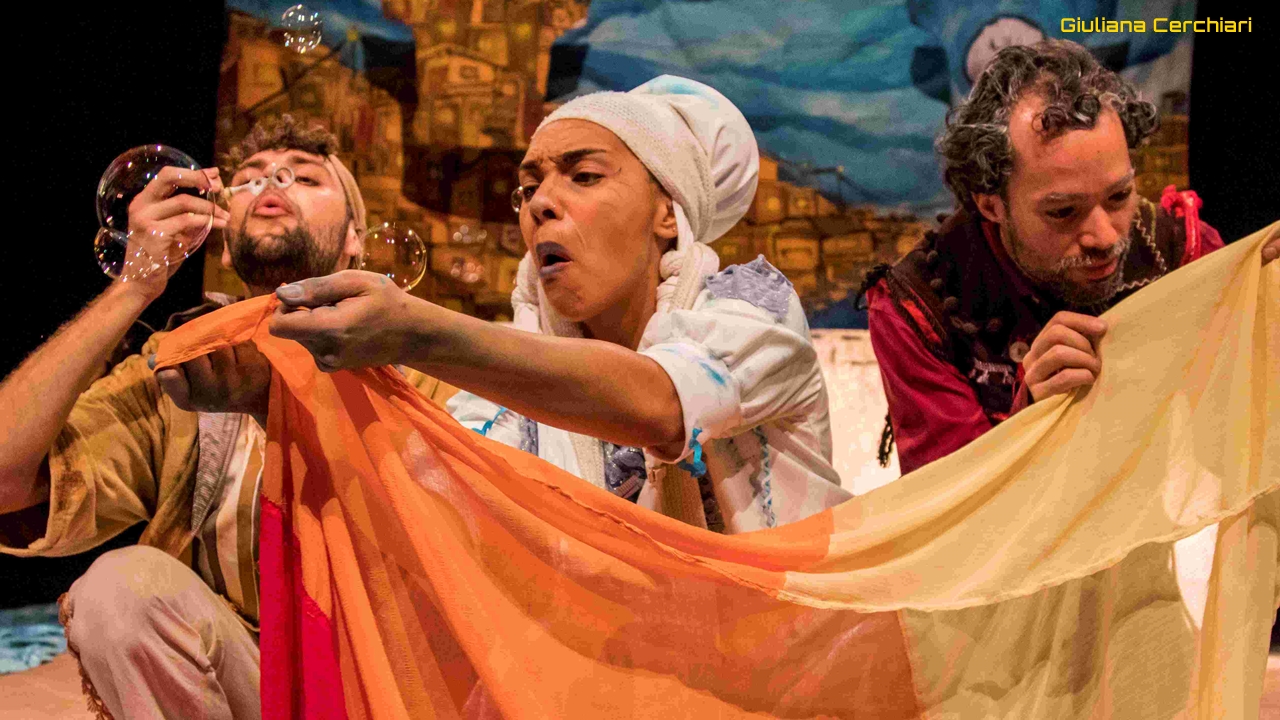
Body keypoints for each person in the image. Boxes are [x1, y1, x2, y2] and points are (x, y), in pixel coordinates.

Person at [0, 115, 454, 720]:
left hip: (374, 682)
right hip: (234, 679)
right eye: (252, 177)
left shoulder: (419, 368)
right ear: (223, 233)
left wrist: (272, 408)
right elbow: (4, 478)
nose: (274, 181)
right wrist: (136, 283)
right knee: (121, 588)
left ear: (355, 239)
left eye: (306, 178)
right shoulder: (178, 365)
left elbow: (447, 560)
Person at [260, 76, 851, 533]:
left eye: (584, 176)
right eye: (529, 186)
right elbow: (421, 507)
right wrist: (271, 401)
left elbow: (660, 404)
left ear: (668, 213)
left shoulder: (753, 306)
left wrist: (413, 331)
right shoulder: (514, 392)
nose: (541, 201)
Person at [863, 39, 1278, 475]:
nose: (1104, 237)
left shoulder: (1181, 249)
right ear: (991, 204)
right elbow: (947, 500)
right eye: (1063, 211)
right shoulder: (920, 306)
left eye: (1119, 196)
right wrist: (1030, 418)